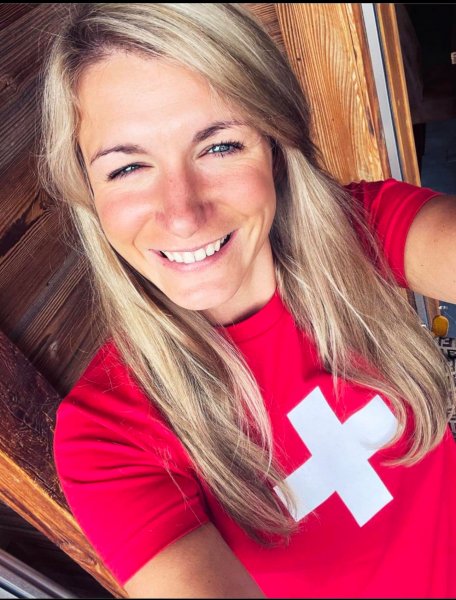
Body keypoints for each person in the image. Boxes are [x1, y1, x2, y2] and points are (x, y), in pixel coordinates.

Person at [38, 4, 456, 598]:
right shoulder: (107, 434)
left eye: (219, 147)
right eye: (128, 167)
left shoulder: (360, 231)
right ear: (88, 192)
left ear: (274, 146)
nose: (183, 214)